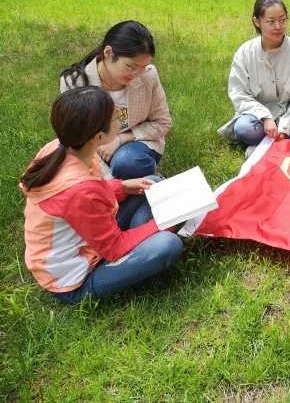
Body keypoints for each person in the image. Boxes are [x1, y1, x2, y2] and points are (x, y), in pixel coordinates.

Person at [20, 87, 183, 304]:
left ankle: (142, 237)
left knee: (152, 183)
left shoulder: (61, 147)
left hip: (88, 239)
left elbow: (87, 195)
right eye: (116, 117)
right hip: (77, 279)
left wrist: (122, 187)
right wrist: (164, 223)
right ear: (99, 137)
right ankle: (143, 242)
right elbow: (113, 247)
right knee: (167, 244)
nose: (121, 118)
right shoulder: (81, 191)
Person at [217, 0, 290, 154]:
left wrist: (286, 126)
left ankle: (266, 149)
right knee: (243, 128)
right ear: (257, 21)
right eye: (271, 22)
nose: (278, 26)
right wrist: (265, 117)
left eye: (282, 20)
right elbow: (239, 94)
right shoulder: (245, 53)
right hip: (257, 118)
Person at [60, 20, 172, 180]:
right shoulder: (75, 84)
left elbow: (163, 123)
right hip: (91, 150)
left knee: (126, 163)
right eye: (130, 66)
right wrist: (109, 181)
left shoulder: (148, 75)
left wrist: (120, 139)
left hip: (136, 143)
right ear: (108, 53)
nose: (137, 74)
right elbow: (75, 140)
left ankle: (145, 177)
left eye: (142, 67)